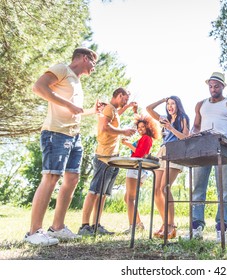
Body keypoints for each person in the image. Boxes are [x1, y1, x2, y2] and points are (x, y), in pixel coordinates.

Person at [24, 47, 100, 246]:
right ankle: (34, 231)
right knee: (51, 176)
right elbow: (39, 87)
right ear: (85, 58)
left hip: (74, 135)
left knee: (72, 178)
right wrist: (69, 105)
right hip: (55, 132)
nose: (94, 67)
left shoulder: (76, 81)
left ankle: (57, 227)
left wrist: (91, 111)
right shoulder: (62, 69)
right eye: (94, 62)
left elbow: (74, 110)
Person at [188, 71, 227, 242]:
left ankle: (222, 227)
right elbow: (196, 126)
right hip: (203, 147)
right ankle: (196, 226)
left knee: (224, 190)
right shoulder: (200, 104)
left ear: (223, 86)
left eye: (216, 86)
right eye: (210, 86)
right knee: (198, 188)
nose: (213, 88)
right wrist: (192, 136)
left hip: (222, 147)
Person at [77, 88, 138, 236]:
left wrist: (128, 108)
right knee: (94, 191)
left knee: (103, 194)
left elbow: (115, 117)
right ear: (119, 95)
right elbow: (105, 126)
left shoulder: (113, 110)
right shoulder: (109, 108)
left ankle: (96, 225)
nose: (126, 101)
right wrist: (123, 131)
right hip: (103, 156)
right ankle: (84, 226)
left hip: (112, 157)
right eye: (125, 99)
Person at [146, 96, 190, 239]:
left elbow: (185, 137)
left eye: (173, 103)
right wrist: (162, 100)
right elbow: (148, 109)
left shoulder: (182, 117)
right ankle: (165, 224)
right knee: (157, 191)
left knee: (165, 188)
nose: (170, 106)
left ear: (178, 105)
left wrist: (171, 128)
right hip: (162, 152)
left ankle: (171, 225)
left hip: (176, 151)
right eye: (168, 104)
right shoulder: (164, 118)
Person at [121, 114, 161, 233]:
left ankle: (133, 226)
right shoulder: (145, 139)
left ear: (148, 127)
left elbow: (139, 154)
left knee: (130, 198)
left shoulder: (146, 138)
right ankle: (139, 224)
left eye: (143, 127)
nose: (140, 129)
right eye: (139, 127)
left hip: (136, 167)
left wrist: (128, 144)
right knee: (127, 198)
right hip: (142, 170)